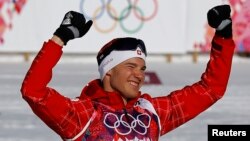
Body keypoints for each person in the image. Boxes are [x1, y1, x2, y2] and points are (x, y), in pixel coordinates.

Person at [21, 4, 235, 141]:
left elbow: (211, 90)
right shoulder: (83, 116)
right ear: (108, 72)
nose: (139, 75)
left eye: (142, 68)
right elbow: (34, 91)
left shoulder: (151, 113)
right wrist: (60, 38)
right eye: (130, 66)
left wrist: (223, 35)